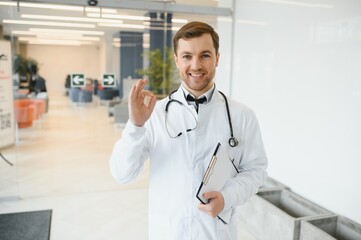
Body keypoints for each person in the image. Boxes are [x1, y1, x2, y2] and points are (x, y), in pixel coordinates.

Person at [109, 21, 268, 240]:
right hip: (168, 231)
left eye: (205, 55)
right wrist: (135, 126)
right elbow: (122, 174)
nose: (196, 65)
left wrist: (227, 197)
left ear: (217, 58)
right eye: (187, 56)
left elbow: (256, 170)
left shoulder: (242, 115)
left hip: (215, 233)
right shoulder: (155, 114)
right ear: (176, 60)